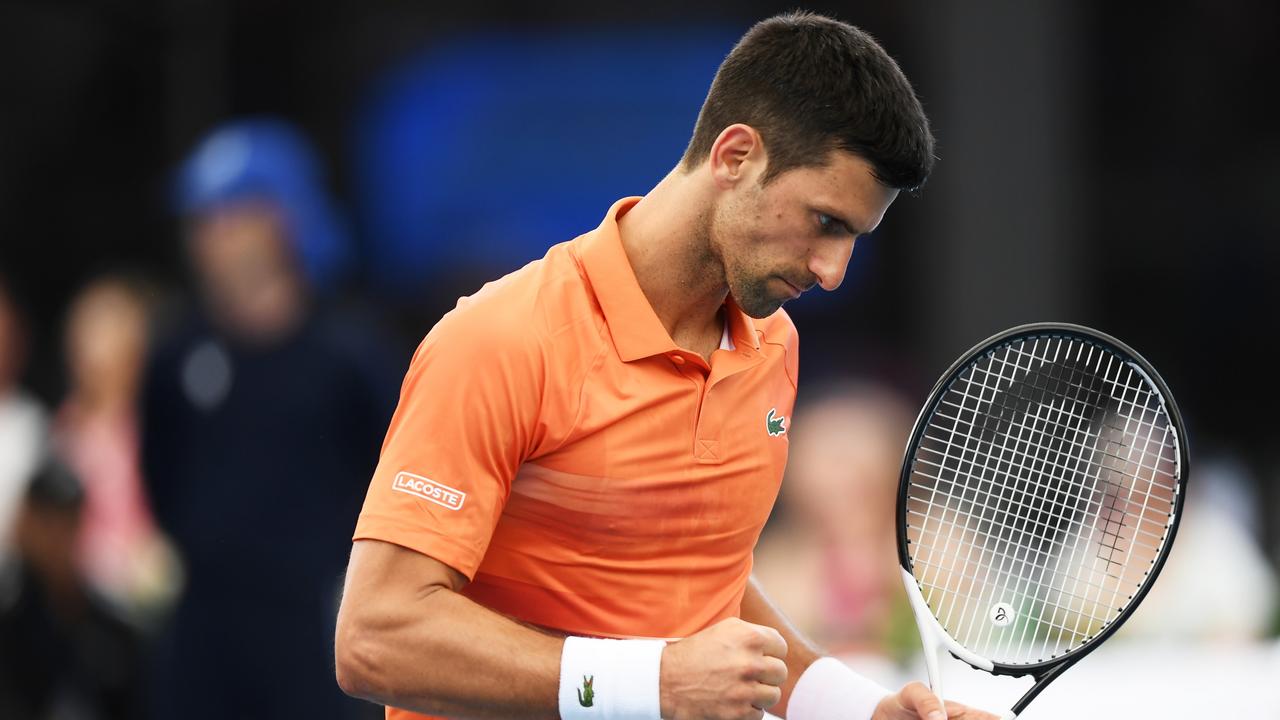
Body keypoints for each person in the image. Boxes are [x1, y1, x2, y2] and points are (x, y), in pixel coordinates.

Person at [336, 13, 997, 720]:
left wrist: (856, 710)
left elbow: (701, 584)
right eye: (826, 222)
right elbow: (376, 638)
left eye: (855, 238)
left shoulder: (774, 344)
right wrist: (645, 683)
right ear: (735, 155)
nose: (834, 271)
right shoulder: (499, 339)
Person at [142, 119, 399, 719]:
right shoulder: (177, 351)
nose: (207, 237)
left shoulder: (349, 355)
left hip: (313, 618)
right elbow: (161, 471)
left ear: (282, 219)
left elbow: (387, 477)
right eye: (200, 220)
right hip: (205, 617)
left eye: (227, 214)